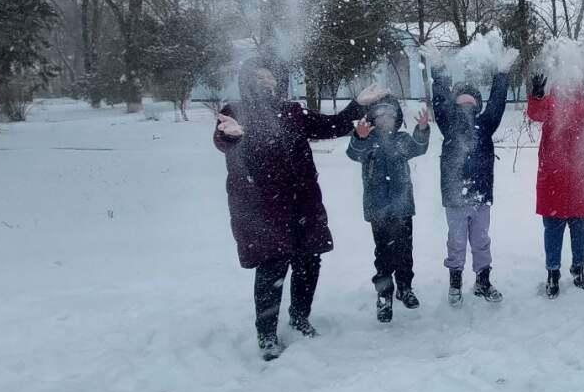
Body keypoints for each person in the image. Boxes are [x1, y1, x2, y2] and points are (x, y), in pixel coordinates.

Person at [213, 53, 375, 360]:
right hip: (263, 207)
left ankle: (300, 318)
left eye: (272, 79)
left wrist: (357, 106)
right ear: (248, 82)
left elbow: (332, 126)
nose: (267, 84)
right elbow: (223, 140)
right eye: (260, 79)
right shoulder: (235, 112)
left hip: (301, 205)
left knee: (308, 262)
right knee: (272, 268)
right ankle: (266, 335)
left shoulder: (292, 112)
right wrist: (229, 136)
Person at [345, 95, 431, 323]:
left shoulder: (403, 140)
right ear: (372, 118)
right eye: (380, 114)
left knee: (405, 251)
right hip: (378, 209)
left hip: (402, 207)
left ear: (397, 118)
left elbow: (419, 148)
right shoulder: (368, 140)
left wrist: (422, 130)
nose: (385, 119)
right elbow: (353, 153)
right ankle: (384, 295)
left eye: (390, 115)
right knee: (383, 254)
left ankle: (405, 287)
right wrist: (358, 137)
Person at [430, 63, 511, 306]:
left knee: (481, 241)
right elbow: (439, 100)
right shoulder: (448, 124)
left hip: (480, 195)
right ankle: (455, 282)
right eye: (462, 102)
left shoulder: (485, 125)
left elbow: (497, 104)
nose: (467, 106)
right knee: (456, 242)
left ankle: (482, 281)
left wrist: (502, 74)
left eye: (471, 102)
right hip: (455, 197)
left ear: (477, 106)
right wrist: (439, 71)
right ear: (455, 105)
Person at [525, 70, 584, 297]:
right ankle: (553, 273)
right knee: (553, 229)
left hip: (581, 179)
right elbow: (535, 113)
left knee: (580, 228)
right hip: (553, 178)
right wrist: (537, 95)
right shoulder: (551, 104)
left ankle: (578, 267)